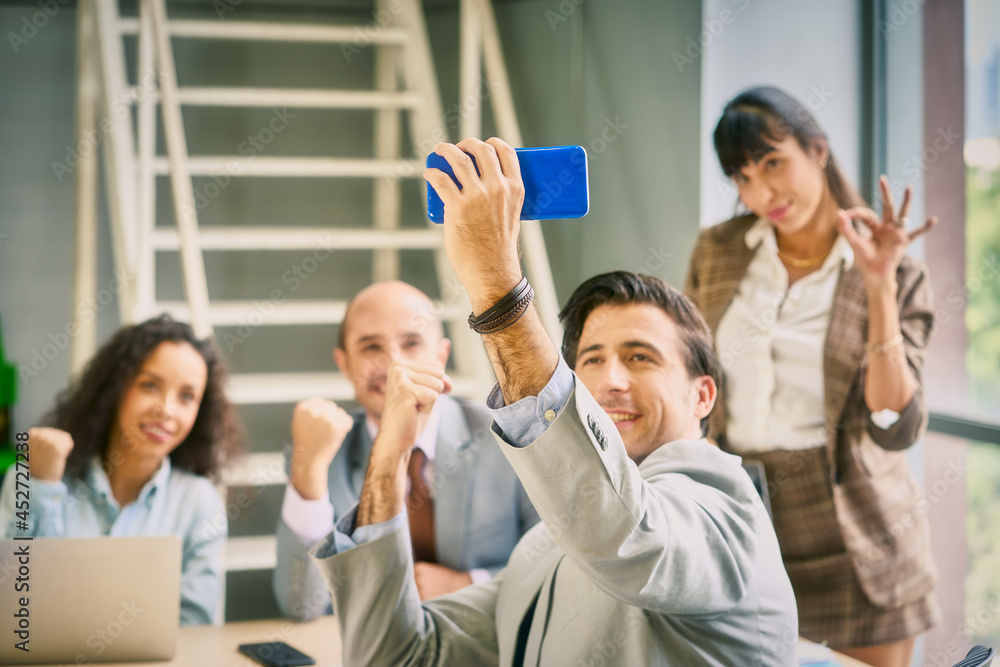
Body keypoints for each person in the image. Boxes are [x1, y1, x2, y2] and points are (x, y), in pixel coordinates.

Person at [306, 137, 799, 666]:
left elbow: (625, 536)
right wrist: (388, 458)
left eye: (640, 357)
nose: (610, 381)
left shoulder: (724, 512)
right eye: (591, 360)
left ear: (702, 395)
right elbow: (398, 658)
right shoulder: (545, 552)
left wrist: (495, 282)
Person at [685, 86, 939, 667]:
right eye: (743, 177)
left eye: (774, 163)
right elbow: (688, 364)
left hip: (859, 538)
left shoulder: (898, 272)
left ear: (818, 150)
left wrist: (878, 286)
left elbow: (893, 424)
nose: (762, 193)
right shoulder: (718, 250)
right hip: (745, 518)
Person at [272, 280, 540, 621]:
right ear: (345, 364)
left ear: (441, 356)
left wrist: (469, 584)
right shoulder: (324, 455)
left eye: (411, 343)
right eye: (371, 347)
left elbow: (556, 564)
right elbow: (302, 607)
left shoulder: (507, 437)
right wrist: (308, 469)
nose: (393, 365)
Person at [0, 315, 242, 625]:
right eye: (150, 385)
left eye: (186, 396)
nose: (166, 410)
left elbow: (197, 626)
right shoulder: (30, 477)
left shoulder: (200, 503)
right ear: (115, 389)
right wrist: (41, 488)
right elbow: (13, 607)